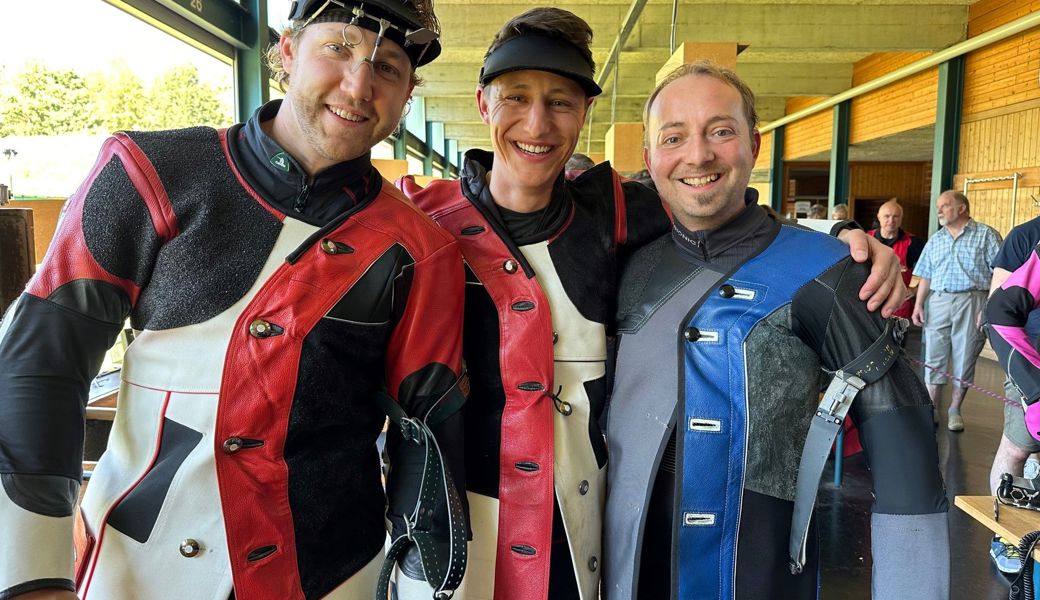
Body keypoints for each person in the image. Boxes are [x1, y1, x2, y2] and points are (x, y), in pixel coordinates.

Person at [396, 11, 906, 600]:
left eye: (560, 101)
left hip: (583, 520)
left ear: (584, 113)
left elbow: (725, 216)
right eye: (516, 97)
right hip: (456, 521)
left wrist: (845, 240)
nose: (537, 122)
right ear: (483, 104)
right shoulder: (421, 225)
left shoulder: (621, 211)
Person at [0, 2, 468, 599]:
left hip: (332, 576)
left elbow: (424, 436)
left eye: (390, 68)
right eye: (339, 48)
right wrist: (31, 574)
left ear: (407, 96)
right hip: (132, 566)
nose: (358, 85)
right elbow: (41, 367)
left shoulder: (420, 249)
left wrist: (422, 587)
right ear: (287, 50)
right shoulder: (148, 174)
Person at [602, 61, 948, 600]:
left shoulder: (832, 271)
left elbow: (903, 439)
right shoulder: (619, 263)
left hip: (757, 572)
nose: (698, 155)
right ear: (649, 159)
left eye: (721, 131)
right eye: (675, 137)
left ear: (754, 145)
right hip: (624, 572)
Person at [911, 190, 1002, 431]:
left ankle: (954, 409)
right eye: (938, 206)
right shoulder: (936, 239)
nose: (939, 210)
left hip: (972, 300)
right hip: (938, 300)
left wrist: (989, 308)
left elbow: (1001, 276)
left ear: (961, 208)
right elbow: (926, 275)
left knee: (966, 354)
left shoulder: (986, 235)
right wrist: (919, 304)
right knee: (934, 356)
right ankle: (931, 408)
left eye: (945, 205)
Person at [986, 214, 1040, 573]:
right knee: (1017, 447)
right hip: (1030, 359)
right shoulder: (1026, 238)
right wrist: (1033, 390)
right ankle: (1004, 536)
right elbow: (999, 311)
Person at [868, 199, 925, 319]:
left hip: (899, 306)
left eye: (895, 216)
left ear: (901, 218)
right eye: (887, 216)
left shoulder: (913, 243)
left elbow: (930, 270)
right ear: (878, 217)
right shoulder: (866, 239)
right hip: (869, 302)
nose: (891, 221)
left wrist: (915, 290)